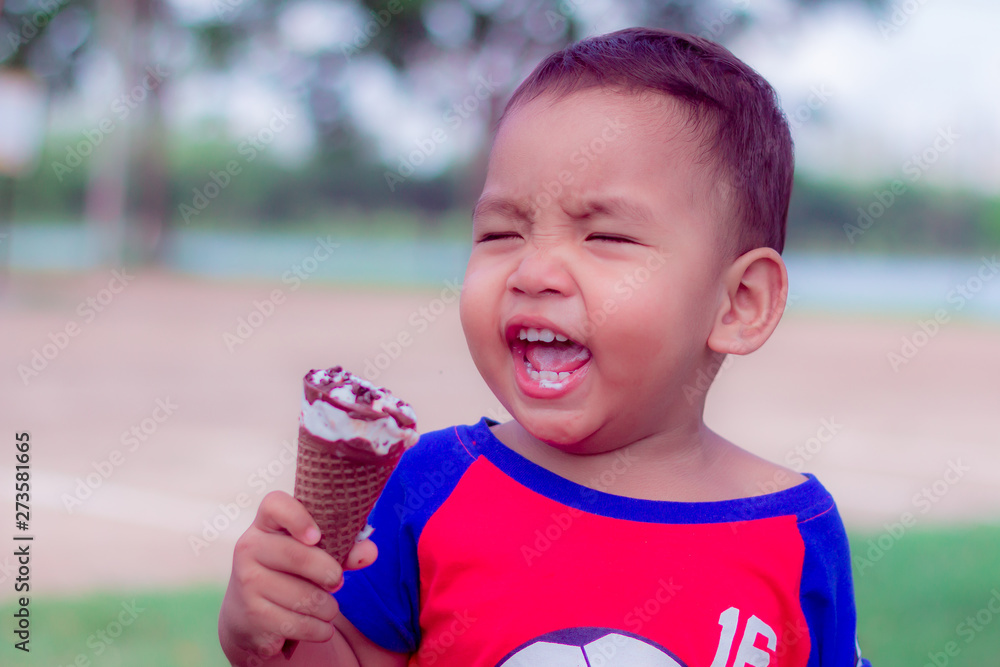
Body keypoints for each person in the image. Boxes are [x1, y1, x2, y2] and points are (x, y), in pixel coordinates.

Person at [219, 27, 871, 666]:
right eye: (501, 233)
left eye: (605, 237)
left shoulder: (792, 533)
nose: (533, 273)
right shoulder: (434, 483)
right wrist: (273, 630)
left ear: (739, 303)